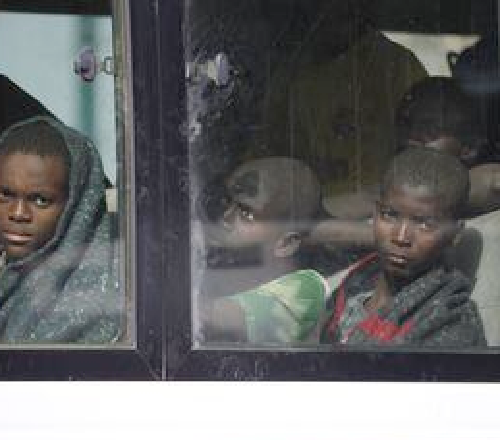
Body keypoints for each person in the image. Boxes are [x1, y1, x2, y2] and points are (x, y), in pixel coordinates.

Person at [205, 148, 486, 348]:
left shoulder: (449, 324)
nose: (401, 236)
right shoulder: (357, 280)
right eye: (389, 215)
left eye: (424, 224)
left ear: (454, 235)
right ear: (375, 213)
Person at [0, 116, 122, 343]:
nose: (17, 213)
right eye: (5, 195)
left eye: (40, 200)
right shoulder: (10, 273)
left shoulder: (104, 292)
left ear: (77, 204)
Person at [195, 157, 326, 342]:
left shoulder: (306, 288)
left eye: (246, 213)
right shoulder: (217, 269)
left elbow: (203, 318)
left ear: (286, 243)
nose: (225, 217)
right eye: (226, 202)